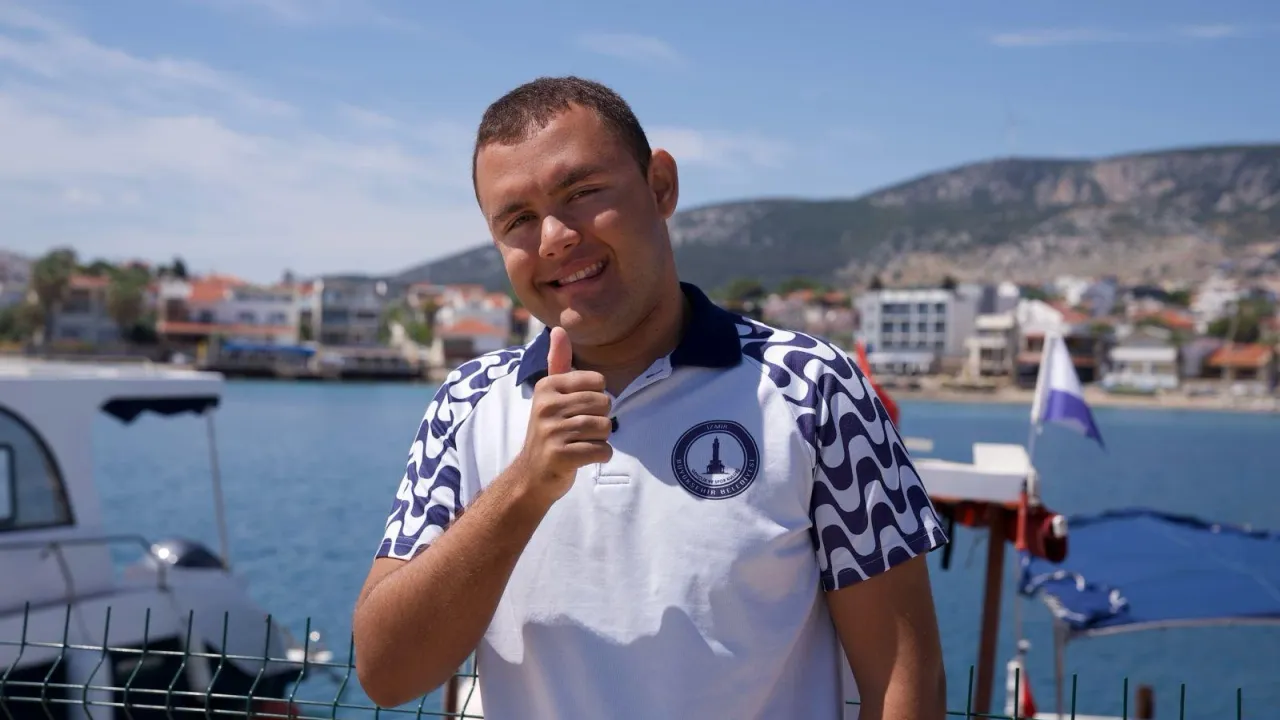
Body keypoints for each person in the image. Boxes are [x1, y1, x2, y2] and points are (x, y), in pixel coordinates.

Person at [352, 76, 949, 720]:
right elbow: (386, 673)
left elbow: (903, 680)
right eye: (518, 220)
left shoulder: (812, 388)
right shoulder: (467, 403)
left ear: (660, 186)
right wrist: (525, 485)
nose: (554, 236)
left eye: (582, 193)